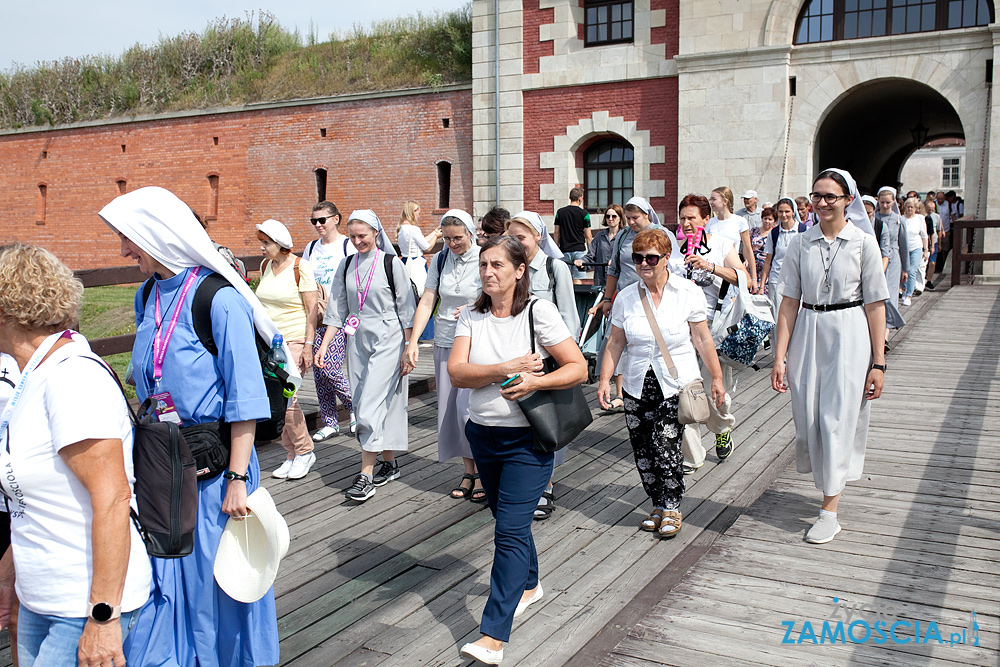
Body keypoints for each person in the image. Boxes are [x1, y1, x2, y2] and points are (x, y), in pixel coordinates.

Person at [101, 186, 285, 666]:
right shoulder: (148, 294)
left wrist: (239, 481)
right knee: (169, 581)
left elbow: (245, 400)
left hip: (217, 475)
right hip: (165, 471)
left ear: (156, 237)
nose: (123, 250)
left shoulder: (216, 299)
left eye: (129, 239)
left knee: (219, 586)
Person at [0, 243, 150, 667]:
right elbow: (36, 497)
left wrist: (103, 618)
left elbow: (113, 498)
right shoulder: (32, 374)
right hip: (39, 596)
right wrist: (11, 574)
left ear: (7, 308)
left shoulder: (71, 378)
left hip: (83, 603)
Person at [449, 236, 587, 666]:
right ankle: (529, 583)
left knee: (508, 531)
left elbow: (577, 366)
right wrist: (507, 369)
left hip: (528, 440)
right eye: (483, 265)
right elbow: (457, 373)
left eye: (497, 265)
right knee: (507, 521)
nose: (488, 272)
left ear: (519, 270)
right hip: (482, 435)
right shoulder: (471, 316)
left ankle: (493, 636)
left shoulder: (537, 312)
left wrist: (537, 381)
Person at [772, 168, 888, 544]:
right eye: (816, 196)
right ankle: (827, 486)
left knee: (836, 417)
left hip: (849, 332)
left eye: (830, 197)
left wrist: (879, 362)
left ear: (847, 200)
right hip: (809, 329)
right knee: (808, 417)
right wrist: (779, 356)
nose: (821, 203)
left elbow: (875, 305)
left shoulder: (861, 243)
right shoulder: (800, 244)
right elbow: (789, 301)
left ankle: (829, 510)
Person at [598, 228, 725, 539]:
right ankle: (656, 503)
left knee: (665, 445)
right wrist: (604, 379)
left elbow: (702, 338)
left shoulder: (688, 292)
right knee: (642, 449)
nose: (643, 264)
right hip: (637, 382)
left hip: (675, 381)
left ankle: (672, 505)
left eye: (651, 258)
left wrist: (717, 376)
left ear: (667, 258)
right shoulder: (626, 297)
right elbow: (615, 341)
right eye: (637, 258)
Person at [317, 210, 415, 502]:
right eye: (353, 236)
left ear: (375, 233)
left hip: (389, 336)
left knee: (370, 402)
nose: (358, 241)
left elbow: (407, 308)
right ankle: (389, 462)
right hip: (356, 339)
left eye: (363, 235)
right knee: (364, 399)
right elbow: (337, 308)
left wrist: (411, 347)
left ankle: (366, 475)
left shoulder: (390, 263)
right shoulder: (346, 265)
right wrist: (324, 346)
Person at [402, 209, 484, 502]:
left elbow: (499, 293)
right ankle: (469, 472)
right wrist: (413, 341)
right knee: (450, 411)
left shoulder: (484, 257)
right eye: (447, 238)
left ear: (471, 233)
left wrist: (477, 306)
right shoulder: (440, 259)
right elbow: (428, 300)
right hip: (445, 340)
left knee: (469, 410)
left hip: (475, 343)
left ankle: (485, 472)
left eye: (457, 238)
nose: (452, 244)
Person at [668, 195, 748, 474]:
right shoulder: (675, 250)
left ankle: (722, 427)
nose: (687, 223)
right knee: (684, 390)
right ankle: (691, 455)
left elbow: (743, 278)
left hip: (715, 326)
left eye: (692, 217)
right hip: (681, 329)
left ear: (705, 219)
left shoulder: (721, 245)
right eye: (683, 218)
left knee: (717, 390)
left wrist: (710, 266)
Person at [505, 211, 577, 519]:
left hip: (545, 358)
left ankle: (545, 485)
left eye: (521, 237)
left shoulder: (554, 267)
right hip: (512, 356)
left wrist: (567, 360)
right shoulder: (509, 268)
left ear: (538, 237)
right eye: (511, 238)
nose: (516, 243)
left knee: (545, 422)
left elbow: (569, 315)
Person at [254, 219, 320, 479]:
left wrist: (308, 345)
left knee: (287, 398)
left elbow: (311, 311)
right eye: (261, 242)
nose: (262, 247)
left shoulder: (300, 267)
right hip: (269, 343)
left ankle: (305, 451)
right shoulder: (265, 265)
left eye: (266, 243)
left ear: (281, 245)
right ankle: (290, 453)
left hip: (293, 341)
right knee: (275, 399)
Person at [302, 200, 357, 440]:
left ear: (335, 219)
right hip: (316, 313)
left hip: (341, 315)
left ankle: (357, 408)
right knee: (318, 369)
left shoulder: (347, 246)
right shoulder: (311, 248)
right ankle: (330, 421)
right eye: (314, 221)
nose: (317, 225)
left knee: (330, 367)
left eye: (322, 220)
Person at [760, 198, 805, 325]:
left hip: (798, 280)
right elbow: (768, 260)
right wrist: (762, 285)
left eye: (787, 211)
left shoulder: (803, 230)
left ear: (793, 212)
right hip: (777, 280)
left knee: (797, 318)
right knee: (778, 318)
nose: (784, 215)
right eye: (780, 212)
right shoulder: (774, 233)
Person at [874, 187, 907, 350]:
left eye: (888, 202)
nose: (885, 205)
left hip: (893, 260)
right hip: (876, 259)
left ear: (894, 202)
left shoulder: (899, 220)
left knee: (890, 296)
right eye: (882, 202)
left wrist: (906, 268)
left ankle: (885, 336)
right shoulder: (874, 218)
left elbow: (903, 244)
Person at [707, 186, 756, 291]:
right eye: (710, 199)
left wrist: (754, 278)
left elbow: (748, 248)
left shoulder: (739, 221)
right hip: (715, 271)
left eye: (714, 199)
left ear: (725, 201)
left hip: (732, 269)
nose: (711, 202)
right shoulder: (710, 222)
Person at [574, 204, 623, 288]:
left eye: (614, 216)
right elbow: (591, 257)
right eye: (608, 216)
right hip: (600, 281)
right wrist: (582, 262)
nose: (610, 219)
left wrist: (615, 261)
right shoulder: (599, 236)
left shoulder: (624, 236)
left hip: (619, 282)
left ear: (620, 218)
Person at [397, 201, 441, 293]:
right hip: (416, 262)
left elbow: (421, 240)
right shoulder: (414, 229)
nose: (419, 216)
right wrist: (436, 236)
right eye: (418, 213)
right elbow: (427, 248)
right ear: (413, 212)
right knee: (420, 290)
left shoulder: (401, 228)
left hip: (405, 261)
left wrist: (434, 232)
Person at [552, 187, 592, 280]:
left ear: (570, 197)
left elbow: (556, 232)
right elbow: (588, 236)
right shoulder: (584, 214)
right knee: (579, 279)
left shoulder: (560, 212)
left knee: (564, 279)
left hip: (564, 250)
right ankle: (577, 295)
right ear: (580, 198)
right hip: (579, 250)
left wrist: (555, 250)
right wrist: (590, 254)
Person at [900, 197, 928, 306]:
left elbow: (924, 235)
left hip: (916, 247)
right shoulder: (901, 218)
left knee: (912, 271)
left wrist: (925, 250)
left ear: (915, 208)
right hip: (903, 248)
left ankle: (909, 295)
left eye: (912, 207)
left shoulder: (920, 218)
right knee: (903, 271)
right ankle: (904, 289)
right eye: (908, 207)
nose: (910, 209)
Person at [748, 204, 775, 296]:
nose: (767, 221)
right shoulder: (754, 231)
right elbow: (747, 247)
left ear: (774, 221)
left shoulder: (774, 233)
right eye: (765, 218)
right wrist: (747, 260)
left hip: (766, 268)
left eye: (770, 219)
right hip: (752, 266)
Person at [924, 199, 943, 290]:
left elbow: (939, 231)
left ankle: (929, 280)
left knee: (932, 263)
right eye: (928, 209)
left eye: (932, 209)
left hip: (933, 242)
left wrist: (939, 244)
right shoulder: (922, 216)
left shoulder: (937, 217)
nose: (930, 211)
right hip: (924, 242)